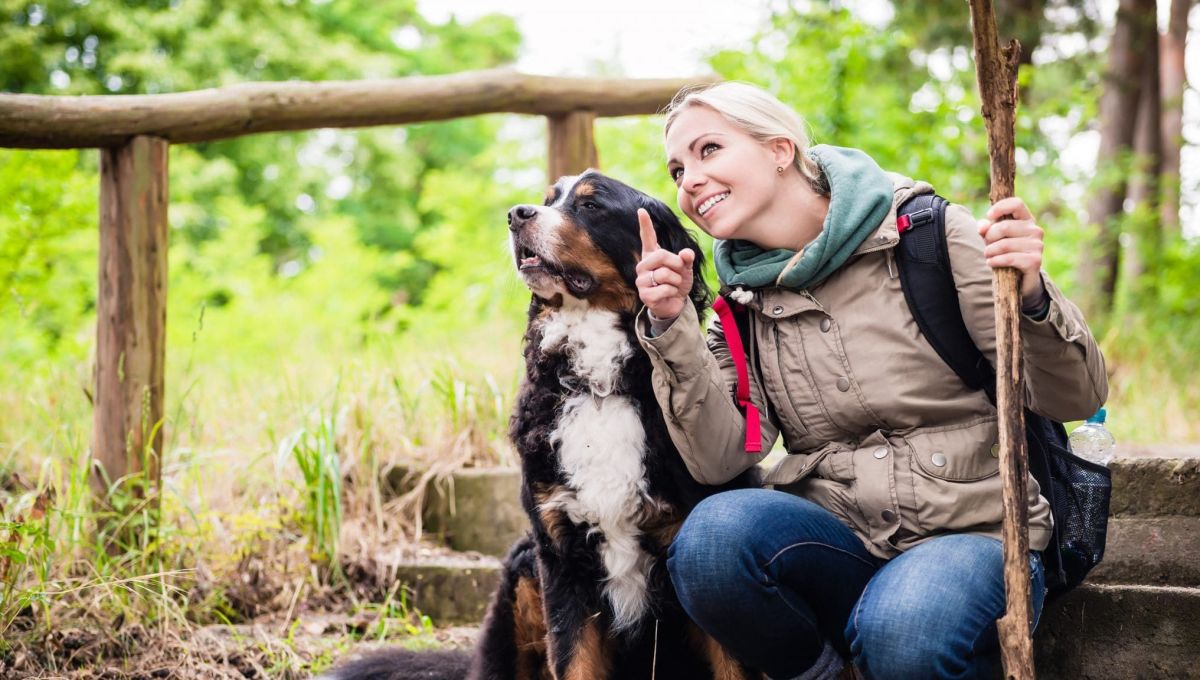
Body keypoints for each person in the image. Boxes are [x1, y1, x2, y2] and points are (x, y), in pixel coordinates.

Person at [633, 82, 1107, 680]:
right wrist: (672, 328)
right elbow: (723, 456)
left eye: (708, 151)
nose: (688, 181)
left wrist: (1033, 294)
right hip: (839, 536)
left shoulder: (931, 236)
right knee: (709, 542)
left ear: (780, 150)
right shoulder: (741, 303)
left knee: (904, 627)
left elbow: (1075, 396)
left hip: (974, 533)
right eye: (677, 169)